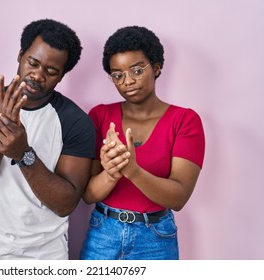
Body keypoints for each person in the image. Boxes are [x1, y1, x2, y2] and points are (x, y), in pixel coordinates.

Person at [0, 19, 95, 260]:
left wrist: (23, 153)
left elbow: (65, 204)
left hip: (45, 257)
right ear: (20, 55)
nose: (38, 75)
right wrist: (1, 136)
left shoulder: (76, 122)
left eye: (51, 71)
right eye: (33, 63)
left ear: (62, 76)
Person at [80, 26, 205, 260]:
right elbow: (88, 194)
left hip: (156, 238)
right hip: (103, 232)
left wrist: (133, 171)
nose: (128, 81)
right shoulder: (99, 116)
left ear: (156, 67)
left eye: (137, 70)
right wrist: (112, 172)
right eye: (118, 75)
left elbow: (178, 198)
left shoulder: (184, 120)